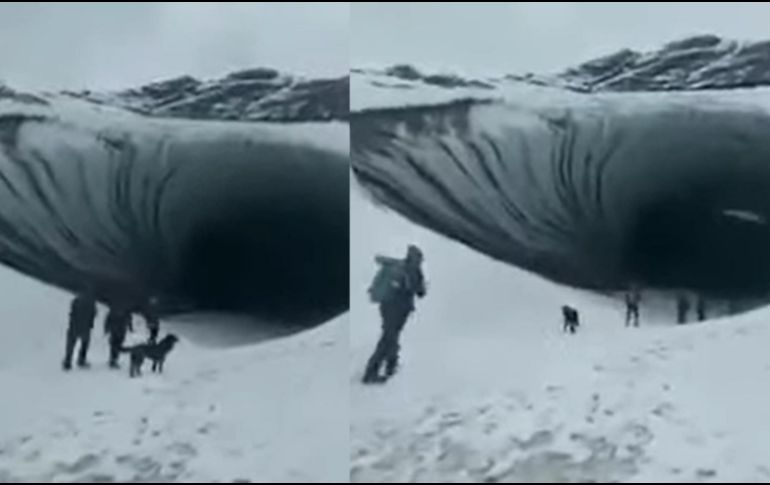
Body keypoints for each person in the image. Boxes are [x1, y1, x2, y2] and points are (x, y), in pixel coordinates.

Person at [363, 245, 426, 384]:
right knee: (388, 338)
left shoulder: (397, 267)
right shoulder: (413, 271)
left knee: (391, 336)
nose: (420, 261)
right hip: (399, 310)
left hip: (386, 307)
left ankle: (391, 366)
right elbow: (421, 292)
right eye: (419, 259)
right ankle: (371, 373)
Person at [62, 290, 97, 371]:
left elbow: (72, 312)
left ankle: (68, 362)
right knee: (84, 344)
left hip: (74, 326)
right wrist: (90, 324)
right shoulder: (91, 303)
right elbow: (94, 314)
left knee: (70, 345)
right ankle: (81, 360)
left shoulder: (76, 301)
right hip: (85, 327)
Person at [104, 300, 133, 369]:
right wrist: (130, 327)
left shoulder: (113, 309)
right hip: (121, 330)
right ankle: (114, 360)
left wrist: (106, 328)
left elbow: (108, 319)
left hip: (114, 329)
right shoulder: (126, 310)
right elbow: (129, 319)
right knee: (117, 345)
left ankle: (112, 359)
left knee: (113, 344)